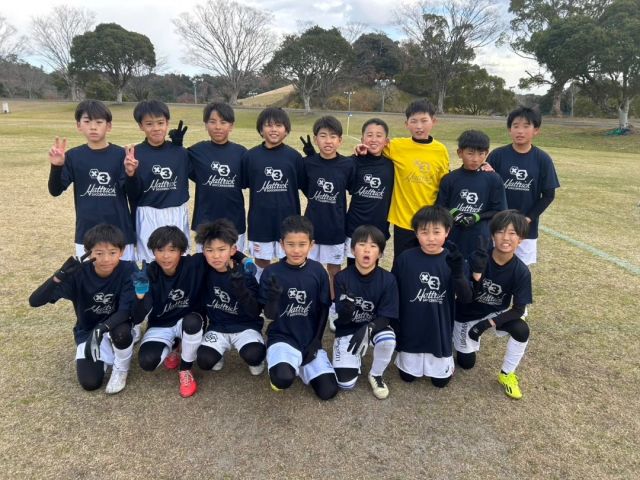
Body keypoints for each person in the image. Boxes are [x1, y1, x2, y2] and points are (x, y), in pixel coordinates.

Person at [29, 224, 137, 394]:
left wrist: (102, 328)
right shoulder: (78, 273)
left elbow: (125, 311)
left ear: (122, 251)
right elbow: (35, 301)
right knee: (90, 383)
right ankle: (105, 357)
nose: (106, 259)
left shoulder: (128, 269)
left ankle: (121, 368)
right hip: (88, 330)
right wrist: (59, 276)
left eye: (112, 252)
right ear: (88, 252)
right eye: (99, 253)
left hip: (116, 326)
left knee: (122, 333)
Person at [453, 210, 532, 399]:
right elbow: (464, 297)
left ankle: (507, 374)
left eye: (512, 233)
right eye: (501, 232)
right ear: (492, 235)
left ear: (520, 239)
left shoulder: (521, 271)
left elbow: (518, 309)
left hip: (495, 312)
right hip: (467, 313)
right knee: (466, 364)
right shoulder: (477, 258)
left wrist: (485, 325)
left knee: (521, 330)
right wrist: (477, 276)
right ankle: (453, 338)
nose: (506, 238)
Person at [391, 206, 473, 388]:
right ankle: (408, 359)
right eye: (424, 232)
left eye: (437, 232)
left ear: (447, 232)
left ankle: (443, 364)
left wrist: (459, 274)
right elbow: (392, 291)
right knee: (407, 377)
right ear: (416, 233)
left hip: (439, 330)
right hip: (411, 328)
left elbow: (466, 298)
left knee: (440, 382)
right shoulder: (405, 258)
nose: (431, 238)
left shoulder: (454, 259)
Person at [258, 215, 338, 401]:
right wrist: (274, 298)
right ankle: (284, 362)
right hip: (282, 337)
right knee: (282, 379)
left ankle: (301, 365)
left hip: (308, 339)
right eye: (290, 244)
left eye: (302, 244)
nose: (296, 250)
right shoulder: (272, 272)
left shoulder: (318, 271)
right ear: (281, 244)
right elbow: (269, 315)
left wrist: (316, 341)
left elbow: (324, 308)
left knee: (328, 391)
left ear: (311, 245)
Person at [357, 99, 450, 258]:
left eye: (424, 121)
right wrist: (359, 149)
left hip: (428, 221)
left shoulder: (440, 150)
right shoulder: (396, 146)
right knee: (402, 262)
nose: (419, 126)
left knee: (426, 262)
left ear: (433, 121)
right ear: (406, 124)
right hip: (403, 220)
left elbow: (446, 183)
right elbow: (375, 146)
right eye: (413, 121)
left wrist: (483, 166)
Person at [47, 100, 135, 260]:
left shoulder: (121, 155)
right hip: (87, 232)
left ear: (109, 126)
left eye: (99, 122)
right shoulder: (74, 156)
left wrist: (131, 174)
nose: (93, 127)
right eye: (87, 122)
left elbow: (133, 193)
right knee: (89, 279)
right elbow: (55, 190)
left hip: (120, 230)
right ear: (79, 125)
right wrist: (57, 167)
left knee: (124, 279)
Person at [135, 226, 205, 398]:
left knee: (192, 322)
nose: (166, 256)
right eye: (160, 250)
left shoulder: (193, 264)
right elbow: (137, 316)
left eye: (172, 250)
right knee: (147, 362)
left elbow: (219, 250)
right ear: (152, 251)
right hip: (161, 324)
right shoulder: (148, 273)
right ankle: (174, 346)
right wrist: (139, 297)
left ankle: (186, 369)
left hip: (188, 322)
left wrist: (242, 260)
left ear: (181, 251)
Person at [300, 116, 356, 328]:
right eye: (323, 136)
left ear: (340, 140)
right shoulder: (308, 163)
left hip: (335, 226)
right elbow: (306, 188)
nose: (328, 141)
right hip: (312, 226)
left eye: (333, 136)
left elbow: (350, 189)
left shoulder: (347, 165)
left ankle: (334, 308)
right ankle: (310, 304)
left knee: (334, 269)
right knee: (309, 268)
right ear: (316, 139)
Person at [487, 106, 560, 266]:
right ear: (509, 129)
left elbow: (548, 195)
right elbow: (486, 188)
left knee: (521, 268)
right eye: (516, 126)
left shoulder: (542, 159)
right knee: (492, 266)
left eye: (526, 126)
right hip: (498, 224)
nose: (520, 131)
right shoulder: (497, 156)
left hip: (526, 228)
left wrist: (528, 218)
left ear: (536, 130)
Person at [332, 225, 398, 399]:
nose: (367, 249)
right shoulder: (342, 278)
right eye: (362, 244)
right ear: (353, 250)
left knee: (388, 340)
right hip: (349, 329)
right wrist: (347, 310)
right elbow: (342, 319)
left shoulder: (388, 279)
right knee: (345, 383)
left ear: (381, 254)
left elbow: (387, 316)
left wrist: (369, 328)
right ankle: (354, 359)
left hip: (374, 327)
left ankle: (376, 374)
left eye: (373, 246)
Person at [196, 219, 266, 376]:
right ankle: (217, 353)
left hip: (246, 326)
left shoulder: (245, 275)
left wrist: (240, 288)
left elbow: (255, 311)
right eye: (210, 250)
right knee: (204, 361)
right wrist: (244, 257)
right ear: (203, 251)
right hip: (218, 327)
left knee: (253, 355)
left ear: (232, 249)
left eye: (222, 249)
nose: (216, 256)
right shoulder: (203, 268)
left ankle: (257, 354)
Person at [124, 100, 191, 262]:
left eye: (160, 123)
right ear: (141, 126)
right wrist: (130, 174)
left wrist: (177, 146)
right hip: (148, 213)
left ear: (167, 123)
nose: (156, 128)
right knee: (151, 259)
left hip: (176, 211)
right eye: (149, 124)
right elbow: (132, 194)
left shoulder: (180, 152)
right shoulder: (135, 154)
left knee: (179, 258)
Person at [243, 108, 305, 281]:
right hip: (260, 220)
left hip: (288, 219)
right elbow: (244, 183)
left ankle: (286, 293)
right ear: (261, 129)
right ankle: (263, 295)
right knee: (262, 260)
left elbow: (304, 184)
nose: (273, 129)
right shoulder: (250, 156)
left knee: (289, 259)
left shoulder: (294, 157)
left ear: (286, 130)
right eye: (268, 125)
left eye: (278, 125)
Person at [184, 103, 249, 253]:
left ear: (231, 126)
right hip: (205, 220)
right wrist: (176, 144)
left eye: (223, 122)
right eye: (212, 122)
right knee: (206, 263)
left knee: (234, 264)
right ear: (206, 125)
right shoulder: (196, 151)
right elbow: (177, 163)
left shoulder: (241, 153)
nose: (218, 127)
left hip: (234, 220)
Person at [436, 130, 507, 259]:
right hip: (453, 236)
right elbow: (440, 206)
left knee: (477, 274)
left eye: (481, 154)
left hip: (480, 238)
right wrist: (455, 213)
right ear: (460, 153)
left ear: (486, 153)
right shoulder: (449, 179)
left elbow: (499, 210)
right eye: (470, 153)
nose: (475, 159)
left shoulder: (494, 179)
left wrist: (476, 217)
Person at [344, 118, 394, 266]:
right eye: (369, 135)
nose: (373, 139)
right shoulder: (353, 162)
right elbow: (334, 168)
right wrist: (355, 156)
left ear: (386, 141)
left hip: (378, 227)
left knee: (372, 270)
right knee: (352, 268)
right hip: (354, 226)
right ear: (362, 139)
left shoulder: (391, 166)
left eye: (379, 136)